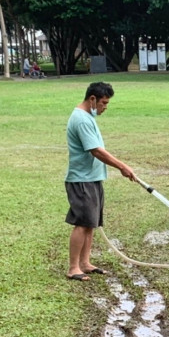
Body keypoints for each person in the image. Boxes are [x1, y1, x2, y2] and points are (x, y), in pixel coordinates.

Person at [64, 82, 137, 281]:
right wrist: (122, 166)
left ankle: (85, 263)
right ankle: (73, 268)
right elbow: (95, 150)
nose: (105, 107)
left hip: (92, 178)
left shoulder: (87, 117)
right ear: (92, 99)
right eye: (103, 103)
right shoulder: (81, 119)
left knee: (90, 223)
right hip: (81, 180)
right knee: (82, 223)